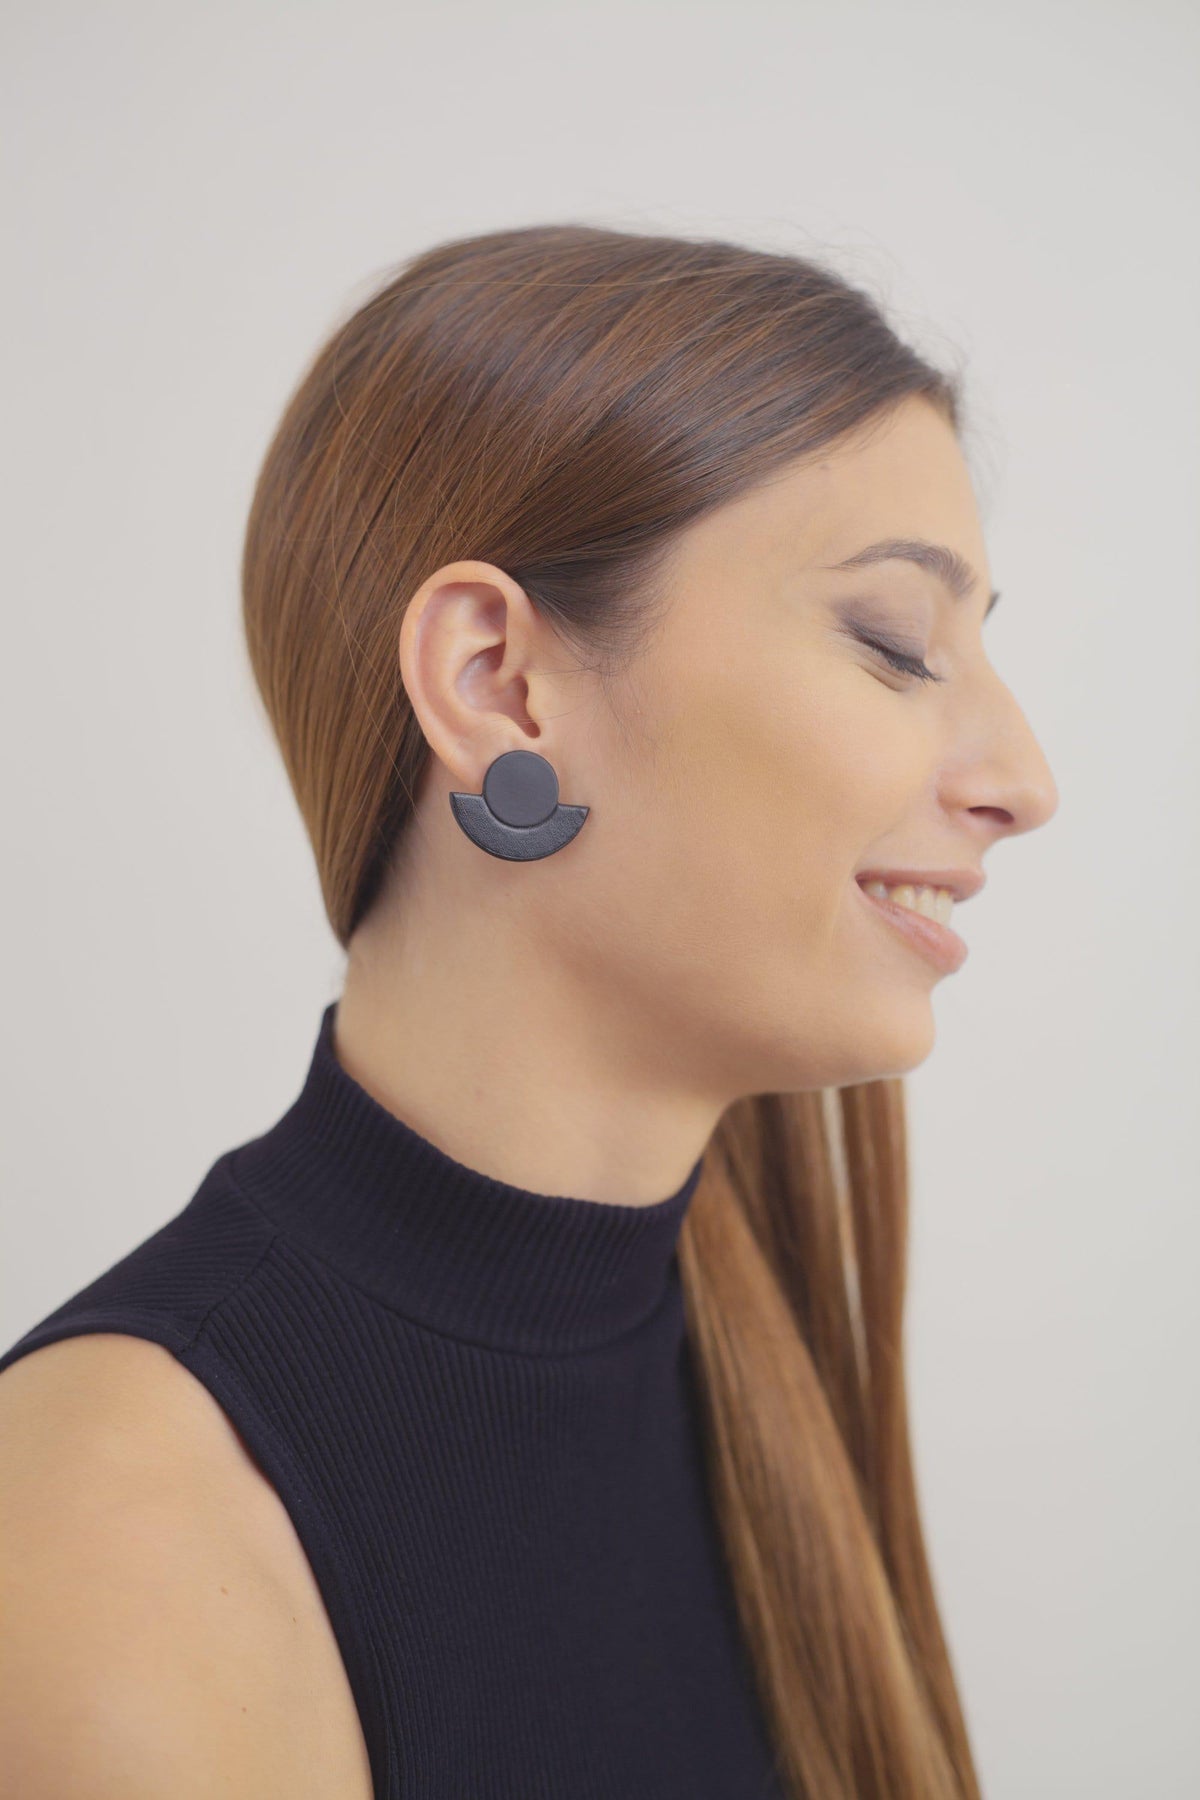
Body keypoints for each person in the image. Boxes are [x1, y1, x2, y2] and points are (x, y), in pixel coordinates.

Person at [0, 224, 1058, 1799]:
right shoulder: (114, 1544)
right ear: (497, 682)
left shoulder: (757, 1364)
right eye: (897, 644)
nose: (1025, 781)